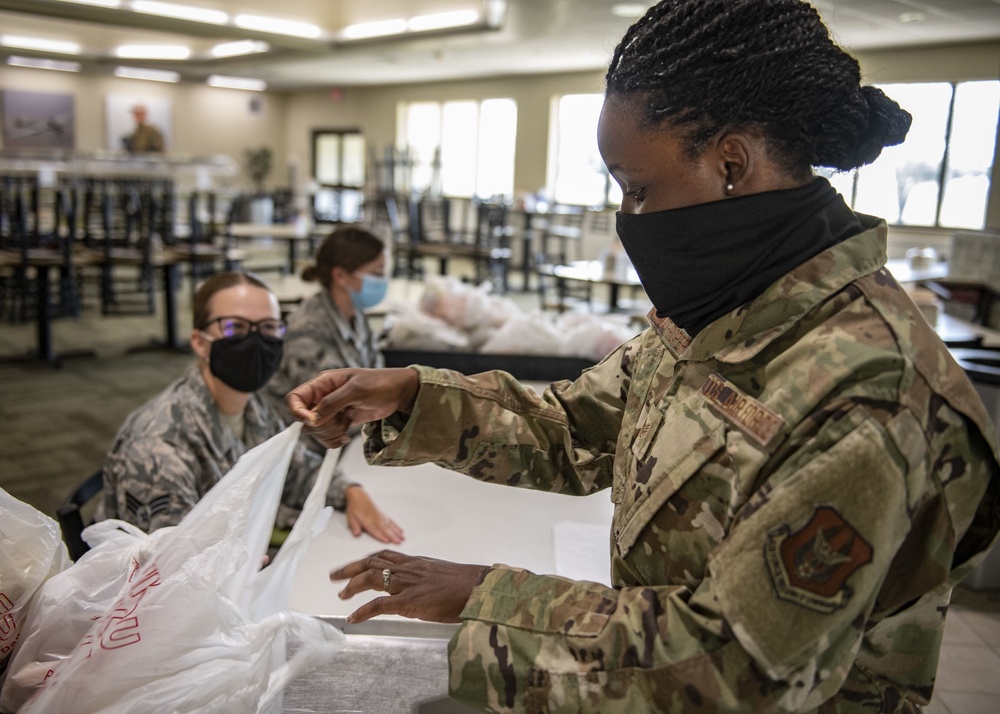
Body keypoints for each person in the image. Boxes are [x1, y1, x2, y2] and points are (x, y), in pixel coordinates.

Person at [289, 1, 1000, 712]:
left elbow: (733, 670)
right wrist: (414, 396)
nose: (628, 219)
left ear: (731, 163)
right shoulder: (722, 315)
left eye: (637, 189)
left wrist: (485, 597)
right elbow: (576, 428)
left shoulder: (870, 391)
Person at [99, 271, 402, 544]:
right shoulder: (159, 447)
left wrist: (351, 492)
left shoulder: (251, 404)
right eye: (235, 327)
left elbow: (292, 468)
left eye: (269, 327)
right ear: (200, 342)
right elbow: (167, 569)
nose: (256, 340)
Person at [263, 225, 388, 456]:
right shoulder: (309, 330)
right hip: (308, 453)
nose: (383, 281)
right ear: (341, 276)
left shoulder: (355, 315)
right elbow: (328, 411)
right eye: (376, 273)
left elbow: (376, 377)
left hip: (350, 441)